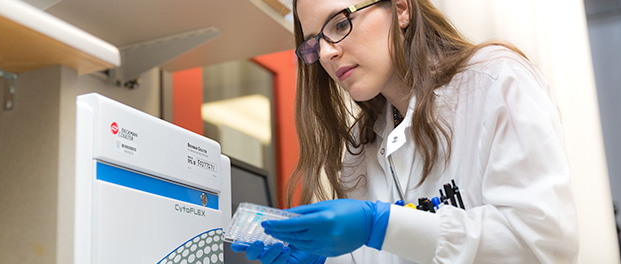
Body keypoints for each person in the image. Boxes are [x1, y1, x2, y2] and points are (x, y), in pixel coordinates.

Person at [232, 0, 579, 263]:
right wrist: (325, 259)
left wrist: (382, 225)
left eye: (339, 24)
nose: (326, 52)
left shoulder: (495, 82)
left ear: (400, 9)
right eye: (313, 43)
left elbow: (543, 244)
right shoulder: (360, 150)